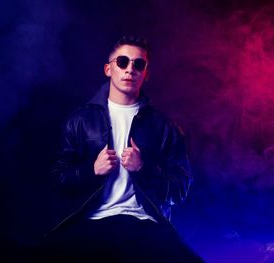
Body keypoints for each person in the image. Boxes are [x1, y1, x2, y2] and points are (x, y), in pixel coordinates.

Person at [43, 36, 204, 262]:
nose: (130, 69)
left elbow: (179, 190)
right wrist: (92, 170)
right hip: (91, 221)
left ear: (146, 73)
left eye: (139, 64)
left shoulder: (164, 127)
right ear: (109, 69)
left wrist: (144, 168)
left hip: (144, 223)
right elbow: (57, 180)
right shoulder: (79, 120)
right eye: (122, 62)